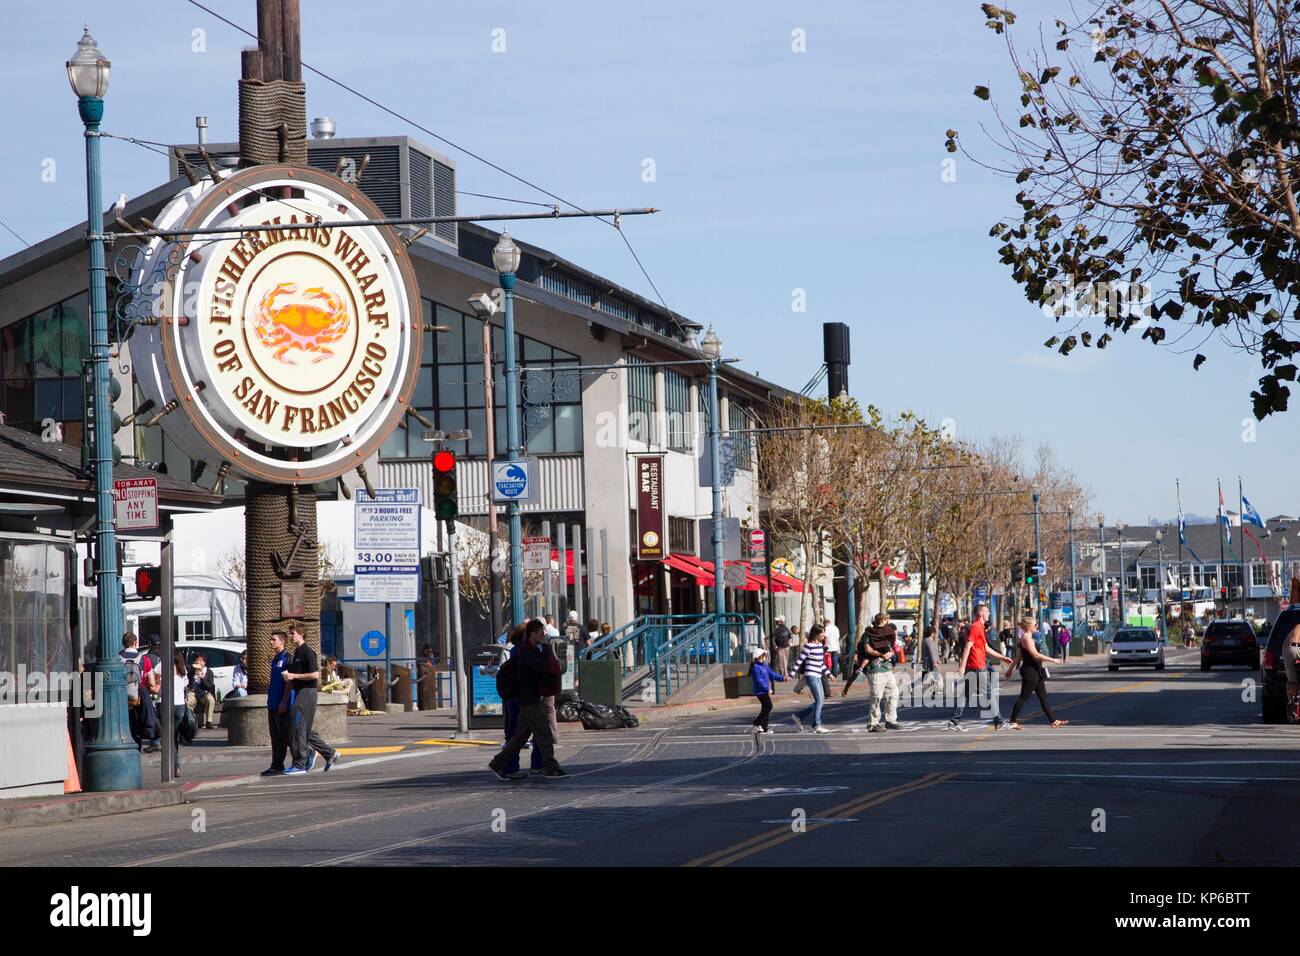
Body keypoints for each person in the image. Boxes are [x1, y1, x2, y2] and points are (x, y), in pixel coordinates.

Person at [489, 619, 568, 779]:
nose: (543, 636)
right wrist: (546, 653)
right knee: (544, 732)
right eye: (540, 633)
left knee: (520, 736)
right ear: (532, 634)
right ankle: (550, 767)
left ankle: (497, 763)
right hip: (528, 698)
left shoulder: (538, 649)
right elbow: (539, 667)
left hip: (532, 697)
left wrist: (546, 651)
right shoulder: (525, 651)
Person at [282, 623, 340, 775]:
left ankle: (300, 763)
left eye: (293, 633)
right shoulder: (297, 653)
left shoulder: (308, 652)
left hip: (307, 692)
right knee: (303, 727)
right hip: (300, 691)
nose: (291, 636)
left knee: (298, 727)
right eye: (290, 633)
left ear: (301, 634)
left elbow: (315, 675)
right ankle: (329, 753)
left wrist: (294, 676)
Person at [948, 603, 1014, 732]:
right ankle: (999, 722)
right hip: (977, 666)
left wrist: (1002, 657)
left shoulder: (980, 628)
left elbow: (985, 648)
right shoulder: (976, 627)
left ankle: (954, 721)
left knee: (965, 695)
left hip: (975, 665)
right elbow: (968, 646)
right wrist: (962, 667)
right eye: (987, 611)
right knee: (989, 694)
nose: (989, 613)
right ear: (980, 613)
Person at [1006, 615, 1069, 729]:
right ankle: (1012, 721)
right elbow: (1035, 655)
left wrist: (1010, 669)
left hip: (1035, 670)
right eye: (1035, 625)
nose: (1037, 626)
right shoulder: (1026, 638)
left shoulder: (1029, 637)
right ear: (1029, 627)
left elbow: (1018, 657)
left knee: (1043, 696)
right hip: (1030, 671)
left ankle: (1053, 720)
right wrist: (1053, 660)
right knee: (1024, 697)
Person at [501, 624, 544, 776]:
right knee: (536, 732)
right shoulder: (524, 651)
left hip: (517, 697)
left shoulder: (516, 650)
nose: (541, 636)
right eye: (537, 634)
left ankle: (508, 765)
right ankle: (506, 765)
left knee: (519, 733)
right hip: (524, 697)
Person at [860, 613, 902, 732]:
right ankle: (873, 723)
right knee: (876, 696)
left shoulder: (887, 632)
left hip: (887, 668)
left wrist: (891, 653)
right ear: (883, 620)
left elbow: (892, 647)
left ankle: (891, 720)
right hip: (876, 669)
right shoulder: (868, 633)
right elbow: (868, 649)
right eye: (887, 619)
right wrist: (882, 654)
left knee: (893, 694)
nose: (888, 622)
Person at [119, 632, 159, 753]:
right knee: (138, 723)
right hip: (138, 697)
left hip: (121, 697)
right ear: (135, 643)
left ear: (123, 644)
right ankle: (137, 747)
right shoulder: (144, 659)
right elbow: (151, 682)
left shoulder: (118, 657)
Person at [261, 631, 293, 776]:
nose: (271, 642)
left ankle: (301, 758)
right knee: (276, 737)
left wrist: (284, 701)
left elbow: (289, 683)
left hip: (281, 704)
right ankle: (276, 765)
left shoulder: (287, 658)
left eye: (273, 639)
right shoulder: (275, 659)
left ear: (282, 641)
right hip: (272, 704)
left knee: (285, 736)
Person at [790, 624, 831, 734]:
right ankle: (817, 725)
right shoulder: (808, 646)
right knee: (819, 700)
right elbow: (799, 661)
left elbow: (821, 663)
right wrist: (791, 674)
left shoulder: (820, 646)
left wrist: (829, 673)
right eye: (821, 633)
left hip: (818, 675)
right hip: (810, 675)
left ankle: (799, 716)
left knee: (821, 701)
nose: (824, 635)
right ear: (816, 634)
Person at [748, 646, 784, 733]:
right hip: (760, 691)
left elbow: (773, 674)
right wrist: (767, 688)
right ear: (760, 656)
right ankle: (757, 722)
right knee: (769, 706)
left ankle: (764, 727)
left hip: (764, 691)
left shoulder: (765, 666)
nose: (765, 656)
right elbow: (759, 680)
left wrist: (783, 678)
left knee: (765, 708)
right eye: (764, 655)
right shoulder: (756, 667)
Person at [171, 651, 188, 777]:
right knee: (174, 737)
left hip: (168, 704)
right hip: (180, 705)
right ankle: (176, 766)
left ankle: (173, 764)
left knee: (168, 738)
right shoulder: (183, 671)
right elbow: (185, 684)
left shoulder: (163, 667)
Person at [188, 655, 217, 730]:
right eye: (196, 660)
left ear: (204, 663)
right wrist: (193, 669)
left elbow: (210, 687)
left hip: (204, 693)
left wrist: (203, 679)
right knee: (188, 701)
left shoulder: (209, 672)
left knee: (211, 700)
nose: (198, 662)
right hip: (193, 691)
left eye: (200, 661)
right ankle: (190, 721)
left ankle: (209, 721)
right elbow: (185, 668)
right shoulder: (191, 670)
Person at [822, 615, 842, 680]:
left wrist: (825, 645)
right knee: (835, 660)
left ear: (825, 623)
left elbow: (826, 636)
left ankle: (828, 674)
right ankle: (835, 674)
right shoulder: (836, 628)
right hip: (835, 646)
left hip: (829, 647)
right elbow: (838, 637)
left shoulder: (827, 628)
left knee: (827, 661)